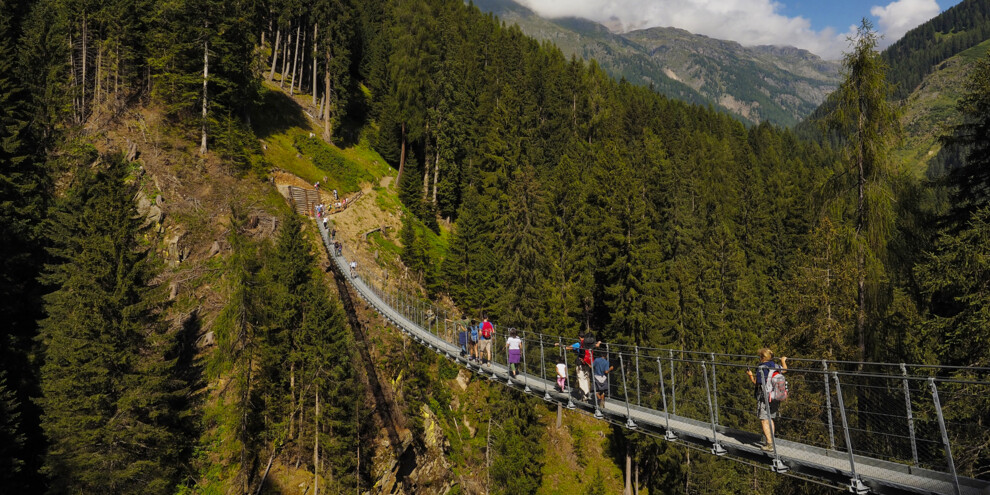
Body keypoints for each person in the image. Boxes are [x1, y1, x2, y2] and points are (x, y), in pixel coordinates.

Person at [746, 348, 788, 452]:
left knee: (764, 419)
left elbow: (757, 382)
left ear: (763, 358)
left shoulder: (761, 367)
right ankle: (771, 442)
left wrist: (750, 376)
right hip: (775, 395)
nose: (759, 358)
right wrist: (783, 360)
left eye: (760, 356)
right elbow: (785, 370)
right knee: (770, 419)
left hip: (765, 397)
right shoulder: (774, 365)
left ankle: (769, 445)